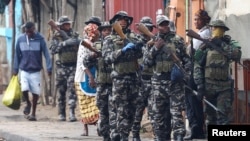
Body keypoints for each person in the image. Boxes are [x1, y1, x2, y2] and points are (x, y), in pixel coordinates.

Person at [144, 15, 191, 141]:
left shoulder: (178, 40)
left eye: (166, 24)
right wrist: (155, 48)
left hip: (175, 83)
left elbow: (187, 60)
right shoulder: (151, 42)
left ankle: (179, 136)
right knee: (159, 116)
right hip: (158, 84)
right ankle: (160, 137)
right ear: (157, 27)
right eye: (162, 25)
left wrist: (185, 73)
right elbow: (146, 63)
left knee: (176, 114)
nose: (164, 27)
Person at [102, 11, 143, 141]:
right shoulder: (109, 39)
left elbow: (141, 56)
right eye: (120, 19)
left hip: (133, 78)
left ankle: (125, 133)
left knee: (132, 110)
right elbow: (107, 58)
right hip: (119, 79)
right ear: (115, 22)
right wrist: (122, 50)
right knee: (121, 109)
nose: (123, 21)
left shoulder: (134, 37)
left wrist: (139, 48)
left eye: (125, 19)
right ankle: (120, 135)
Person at [193, 19, 241, 128]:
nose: (214, 30)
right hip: (209, 86)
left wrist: (220, 44)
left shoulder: (229, 43)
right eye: (213, 28)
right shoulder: (206, 45)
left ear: (223, 30)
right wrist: (199, 85)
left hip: (224, 88)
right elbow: (197, 64)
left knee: (223, 116)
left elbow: (236, 55)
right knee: (210, 117)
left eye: (217, 28)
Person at [13, 21, 52, 121]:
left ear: (33, 29)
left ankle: (33, 113)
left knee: (35, 92)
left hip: (35, 70)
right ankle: (28, 103)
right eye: (27, 32)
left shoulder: (40, 39)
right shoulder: (20, 39)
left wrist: (49, 67)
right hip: (24, 69)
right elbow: (17, 55)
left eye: (30, 32)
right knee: (24, 89)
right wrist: (15, 68)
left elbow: (46, 54)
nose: (28, 34)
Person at [184, 9, 211, 140]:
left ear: (204, 20)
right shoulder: (201, 33)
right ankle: (194, 127)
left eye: (198, 19)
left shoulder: (205, 34)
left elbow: (196, 55)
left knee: (194, 102)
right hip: (193, 71)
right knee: (190, 101)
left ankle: (197, 129)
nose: (195, 22)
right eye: (194, 19)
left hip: (197, 72)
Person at [74, 16, 102, 136]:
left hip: (96, 74)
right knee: (84, 104)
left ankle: (98, 127)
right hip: (83, 76)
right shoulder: (84, 44)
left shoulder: (100, 43)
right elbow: (82, 63)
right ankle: (85, 128)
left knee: (97, 103)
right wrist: (90, 77)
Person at [50, 15, 81, 122]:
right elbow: (53, 50)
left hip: (73, 66)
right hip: (61, 68)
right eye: (65, 24)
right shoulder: (56, 36)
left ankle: (72, 112)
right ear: (61, 26)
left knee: (72, 90)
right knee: (61, 91)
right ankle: (62, 113)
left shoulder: (74, 34)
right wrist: (63, 44)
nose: (68, 26)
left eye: (69, 24)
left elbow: (80, 43)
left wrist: (74, 41)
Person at [131, 16, 156, 141]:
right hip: (140, 80)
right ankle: (135, 134)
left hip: (153, 79)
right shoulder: (136, 40)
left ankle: (156, 134)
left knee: (154, 110)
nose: (148, 29)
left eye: (150, 27)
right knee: (138, 109)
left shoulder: (155, 39)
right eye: (146, 27)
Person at [95, 21, 112, 141]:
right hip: (102, 83)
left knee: (115, 111)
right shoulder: (96, 45)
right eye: (105, 30)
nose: (107, 32)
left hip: (114, 83)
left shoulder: (116, 44)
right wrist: (92, 56)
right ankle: (105, 134)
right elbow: (85, 62)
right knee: (103, 110)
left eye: (109, 30)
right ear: (101, 32)